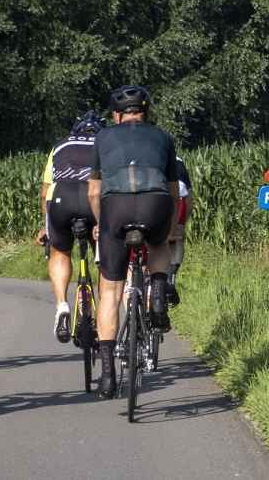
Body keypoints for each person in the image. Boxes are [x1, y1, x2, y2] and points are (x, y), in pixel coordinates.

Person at [87, 85, 179, 399]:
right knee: (158, 245)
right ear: (146, 112)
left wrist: (101, 224)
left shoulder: (102, 138)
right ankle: (156, 292)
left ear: (116, 115)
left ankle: (109, 377)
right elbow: (172, 188)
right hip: (155, 204)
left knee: (110, 291)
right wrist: (170, 228)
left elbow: (93, 192)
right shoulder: (164, 137)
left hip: (116, 208)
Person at [36, 110, 103, 343]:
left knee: (60, 251)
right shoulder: (106, 143)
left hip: (61, 199)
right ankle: (105, 313)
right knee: (107, 258)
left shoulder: (60, 145)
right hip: (92, 199)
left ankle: (62, 305)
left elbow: (45, 192)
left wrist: (47, 226)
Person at [166, 155, 192, 307]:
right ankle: (171, 275)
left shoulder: (138, 155)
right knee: (177, 238)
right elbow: (189, 199)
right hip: (178, 200)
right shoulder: (178, 161)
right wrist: (182, 223)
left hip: (150, 199)